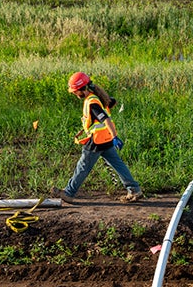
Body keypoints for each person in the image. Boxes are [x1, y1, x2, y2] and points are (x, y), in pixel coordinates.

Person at [58, 72, 144, 203]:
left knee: (83, 166)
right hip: (105, 139)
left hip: (96, 142)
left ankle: (69, 193)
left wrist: (115, 136)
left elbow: (106, 120)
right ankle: (134, 189)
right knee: (118, 164)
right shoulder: (96, 97)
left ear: (82, 89)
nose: (75, 94)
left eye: (75, 92)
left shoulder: (92, 103)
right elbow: (110, 104)